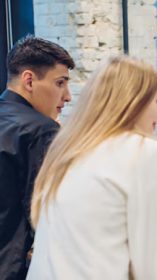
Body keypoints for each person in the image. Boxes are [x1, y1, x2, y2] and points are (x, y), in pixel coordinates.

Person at [27, 56, 157, 280]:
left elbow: (93, 234)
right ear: (133, 103)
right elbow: (153, 274)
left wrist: (154, 237)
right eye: (156, 101)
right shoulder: (144, 151)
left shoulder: (68, 149)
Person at [0, 35, 74, 279]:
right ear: (29, 80)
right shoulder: (40, 130)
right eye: (60, 83)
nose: (67, 96)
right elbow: (47, 212)